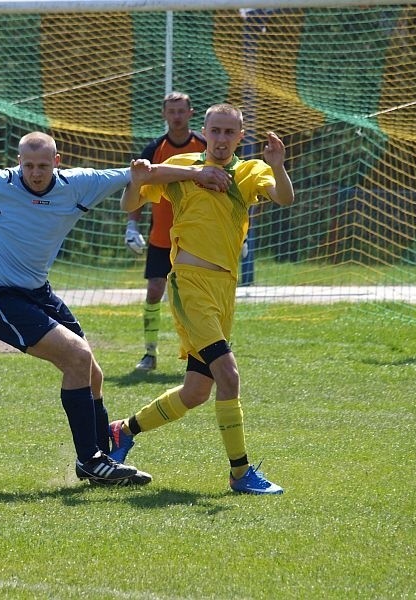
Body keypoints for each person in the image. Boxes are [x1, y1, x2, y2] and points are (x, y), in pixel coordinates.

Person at [0, 131, 231, 487]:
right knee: (76, 357)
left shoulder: (77, 184)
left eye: (43, 165)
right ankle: (90, 461)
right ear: (19, 163)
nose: (35, 172)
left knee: (92, 372)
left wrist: (197, 174)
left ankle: (101, 457)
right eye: (28, 165)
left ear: (57, 163)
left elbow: (141, 173)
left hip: (38, 294)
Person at [111, 104, 295, 494]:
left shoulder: (248, 171)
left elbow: (284, 198)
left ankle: (122, 432)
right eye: (217, 131)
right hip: (190, 285)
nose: (223, 139)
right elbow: (131, 203)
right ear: (205, 132)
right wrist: (137, 179)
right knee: (229, 375)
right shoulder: (182, 167)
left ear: (241, 137)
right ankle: (240, 473)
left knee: (196, 391)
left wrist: (277, 164)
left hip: (224, 290)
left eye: (231, 132)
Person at [125, 91, 207, 372]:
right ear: (164, 114)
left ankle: (203, 353)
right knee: (154, 291)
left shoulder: (206, 146)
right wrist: (132, 225)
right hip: (162, 237)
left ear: (191, 113)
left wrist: (240, 233)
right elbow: (137, 188)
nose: (176, 116)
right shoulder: (153, 150)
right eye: (171, 111)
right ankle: (150, 353)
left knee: (196, 296)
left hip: (197, 237)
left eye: (181, 111)